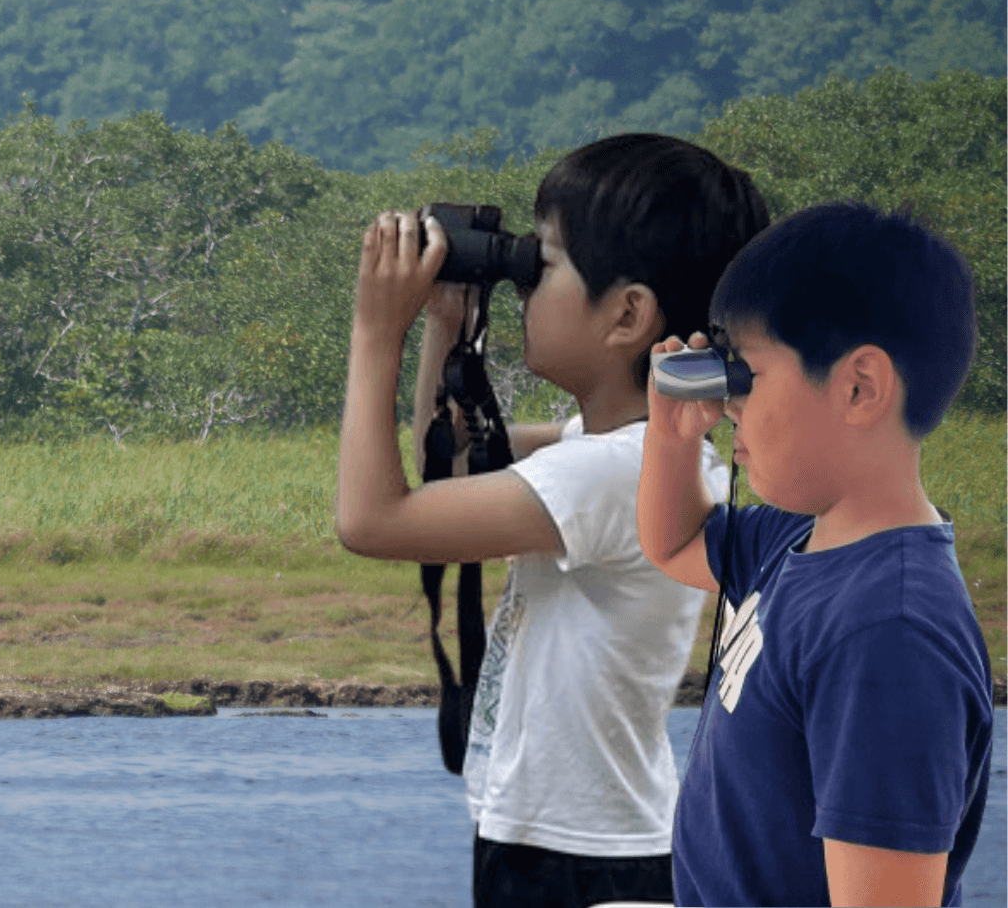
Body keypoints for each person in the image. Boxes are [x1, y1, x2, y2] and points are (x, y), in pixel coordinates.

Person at [337, 133, 770, 908]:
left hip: (580, 858)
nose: (524, 285)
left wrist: (377, 333)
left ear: (628, 315)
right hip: (576, 840)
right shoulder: (619, 452)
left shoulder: (611, 473)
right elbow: (455, 463)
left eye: (544, 264)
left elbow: (373, 520)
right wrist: (446, 322)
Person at [637, 201, 993, 907]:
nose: (729, 402)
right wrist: (671, 434)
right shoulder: (797, 540)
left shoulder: (888, 633)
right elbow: (675, 543)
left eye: (749, 378)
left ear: (859, 387)